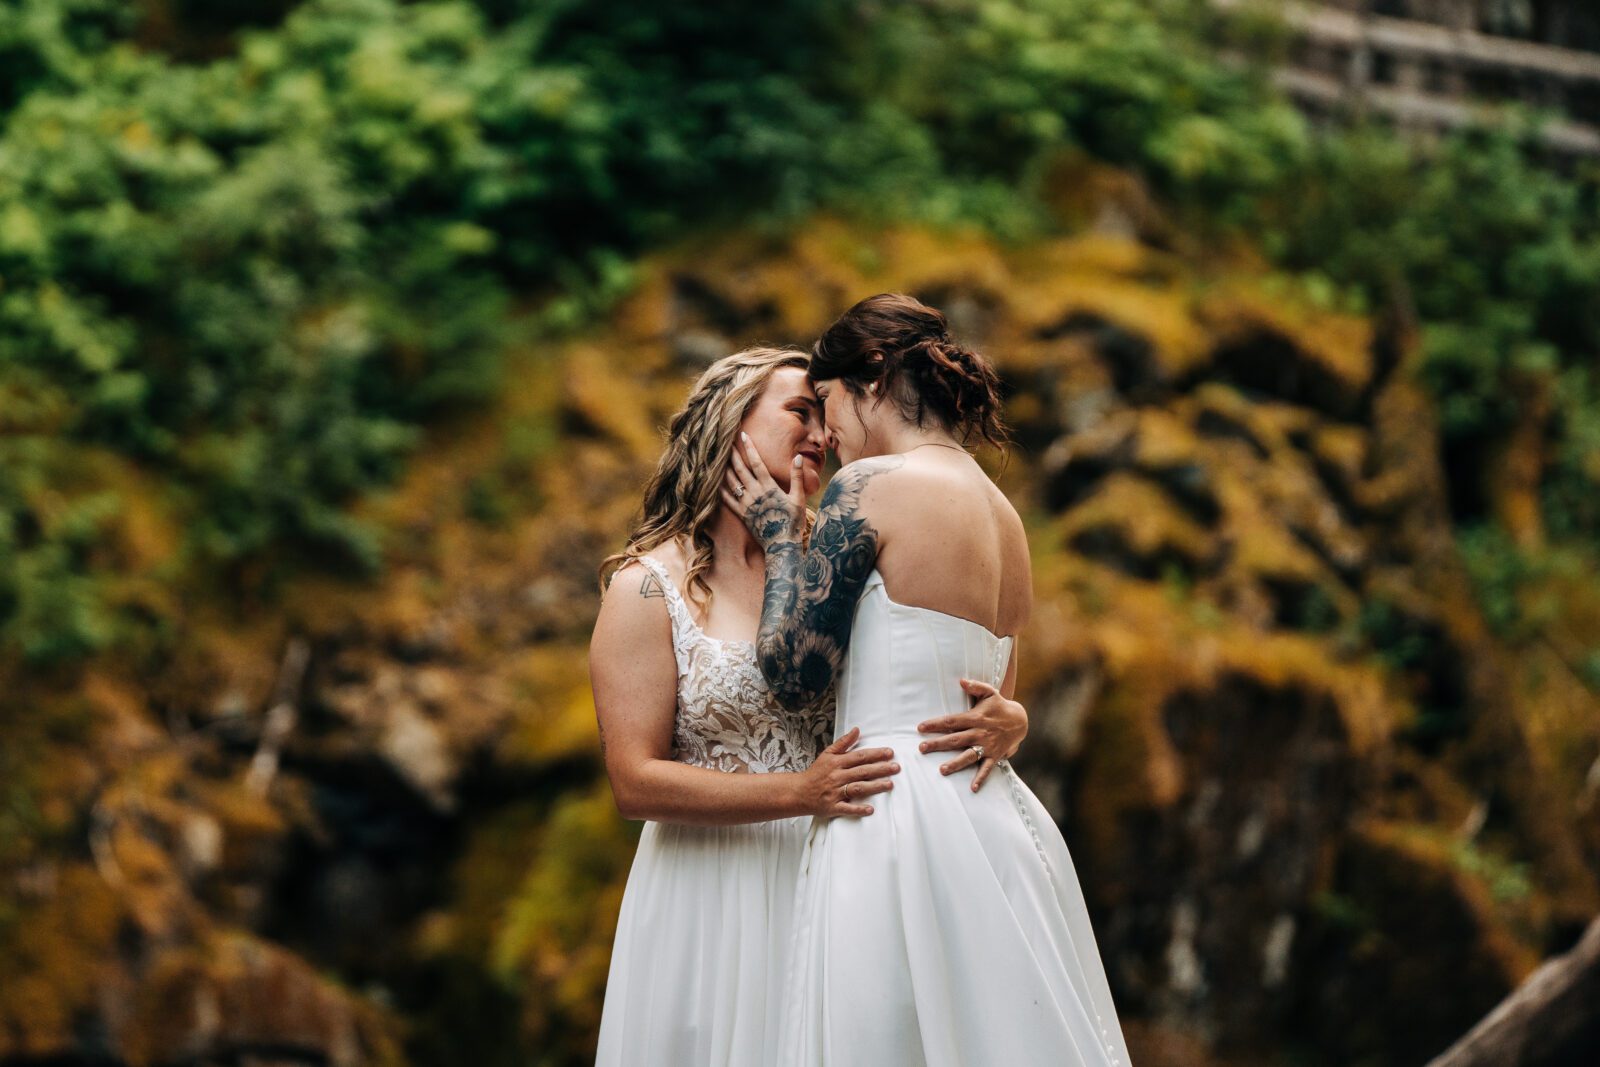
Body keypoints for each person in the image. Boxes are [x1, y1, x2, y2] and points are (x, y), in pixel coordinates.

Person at [591, 347, 1032, 1065]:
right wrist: (799, 791)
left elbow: (943, 654)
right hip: (712, 894)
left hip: (840, 873)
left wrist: (1009, 715)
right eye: (800, 410)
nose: (822, 434)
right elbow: (634, 780)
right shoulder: (647, 588)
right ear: (729, 422)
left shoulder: (836, 562)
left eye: (824, 415)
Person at [725, 297, 1132, 1066]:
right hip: (991, 817)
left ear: (869, 378)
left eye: (828, 401)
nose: (824, 432)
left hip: (889, 811)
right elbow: (1000, 690)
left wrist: (780, 535)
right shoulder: (1005, 514)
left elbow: (792, 671)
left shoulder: (870, 486)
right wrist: (1014, 718)